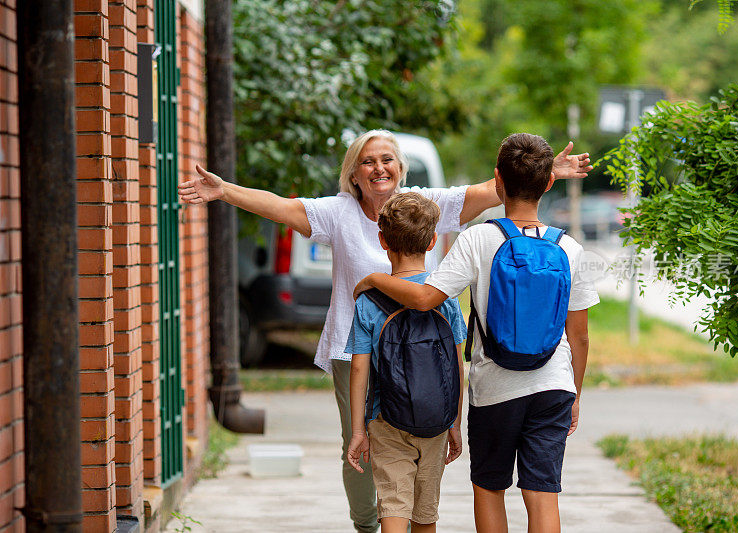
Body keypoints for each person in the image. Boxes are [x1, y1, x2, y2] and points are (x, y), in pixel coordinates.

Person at [178, 129, 592, 532]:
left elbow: (490, 189)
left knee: (424, 442)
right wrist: (225, 190)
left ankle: (405, 515)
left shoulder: (425, 204)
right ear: (353, 174)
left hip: (423, 350)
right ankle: (366, 521)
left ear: (401, 168)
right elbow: (278, 207)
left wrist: (541, 170)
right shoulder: (336, 211)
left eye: (387, 159)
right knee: (360, 444)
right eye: (368, 161)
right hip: (356, 350)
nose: (379, 168)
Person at [353, 133, 600, 533]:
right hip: (554, 386)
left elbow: (422, 298)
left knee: (489, 489)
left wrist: (373, 279)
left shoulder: (479, 239)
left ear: (498, 180)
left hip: (495, 391)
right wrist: (575, 393)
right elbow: (580, 337)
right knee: (543, 492)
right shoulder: (569, 248)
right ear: (549, 183)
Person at [346, 192, 466, 533]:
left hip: (386, 421)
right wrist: (454, 422)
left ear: (382, 240)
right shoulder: (445, 297)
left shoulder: (370, 301)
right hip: (435, 422)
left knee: (393, 507)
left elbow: (358, 368)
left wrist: (358, 431)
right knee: (425, 513)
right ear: (431, 242)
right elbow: (457, 366)